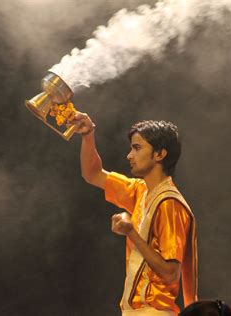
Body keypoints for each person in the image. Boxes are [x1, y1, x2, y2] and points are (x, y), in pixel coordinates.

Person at [72, 112, 198, 316]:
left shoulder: (170, 203)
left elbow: (170, 273)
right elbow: (93, 174)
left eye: (137, 148)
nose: (129, 155)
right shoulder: (140, 190)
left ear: (159, 154)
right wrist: (88, 135)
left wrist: (131, 233)